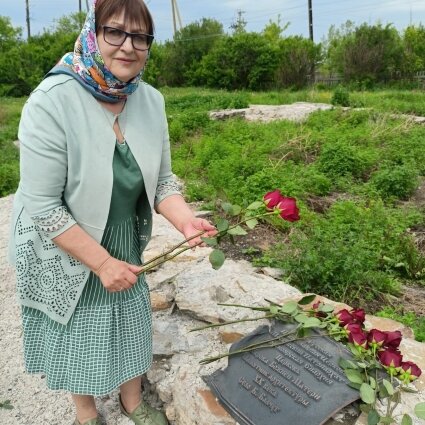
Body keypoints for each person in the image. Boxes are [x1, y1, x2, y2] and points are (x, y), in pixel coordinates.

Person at [8, 0, 216, 424]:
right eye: (115, 33)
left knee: (130, 322)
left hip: (122, 232)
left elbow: (162, 181)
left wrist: (185, 219)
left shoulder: (150, 101)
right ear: (92, 34)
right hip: (65, 239)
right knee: (79, 329)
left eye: (140, 36)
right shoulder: (50, 102)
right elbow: (42, 206)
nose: (128, 46)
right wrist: (101, 263)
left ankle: (132, 400)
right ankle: (85, 410)